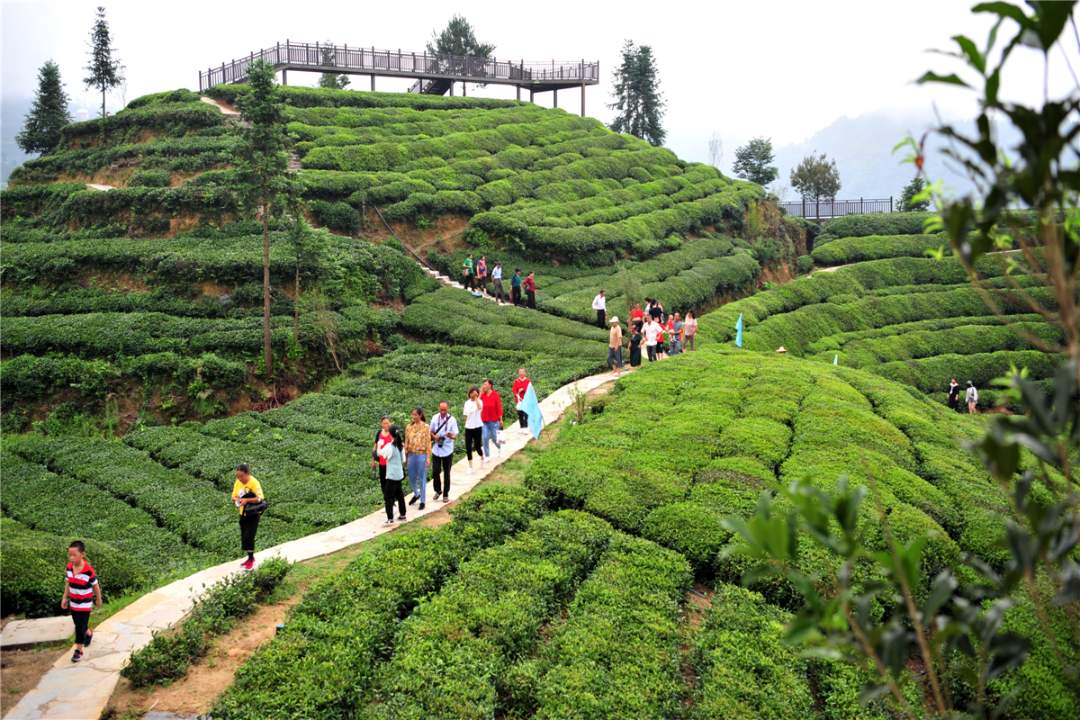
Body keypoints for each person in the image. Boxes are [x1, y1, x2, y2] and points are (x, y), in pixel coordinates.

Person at [61, 540, 102, 663]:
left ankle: (78, 650)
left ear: (82, 554)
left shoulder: (88, 571)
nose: (71, 558)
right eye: (70, 555)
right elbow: (68, 583)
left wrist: (98, 599)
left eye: (74, 555)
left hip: (85, 604)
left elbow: (96, 586)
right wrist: (64, 597)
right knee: (78, 624)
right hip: (74, 603)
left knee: (79, 627)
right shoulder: (69, 567)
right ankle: (88, 633)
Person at [231, 463, 264, 570]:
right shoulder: (238, 482)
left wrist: (247, 500)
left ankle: (251, 559)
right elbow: (233, 496)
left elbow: (259, 499)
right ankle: (249, 558)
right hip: (243, 513)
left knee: (250, 535)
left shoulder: (254, 483)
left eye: (241, 476)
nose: (239, 478)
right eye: (238, 476)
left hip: (253, 514)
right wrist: (237, 500)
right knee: (244, 536)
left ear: (247, 474)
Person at [377, 423, 406, 525]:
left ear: (390, 434)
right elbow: (403, 460)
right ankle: (403, 514)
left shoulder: (390, 446)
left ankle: (390, 518)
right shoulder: (401, 446)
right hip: (399, 474)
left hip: (391, 475)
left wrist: (379, 445)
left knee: (388, 497)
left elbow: (380, 454)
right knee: (399, 494)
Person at [429, 401, 458, 502]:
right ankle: (438, 490)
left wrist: (450, 435)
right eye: (441, 409)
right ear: (439, 408)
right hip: (436, 449)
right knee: (435, 472)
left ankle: (445, 494)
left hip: (447, 450)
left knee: (447, 473)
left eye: (444, 410)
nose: (443, 412)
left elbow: (455, 435)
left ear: (447, 409)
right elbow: (430, 431)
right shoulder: (434, 418)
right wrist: (434, 436)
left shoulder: (452, 420)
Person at [405, 407, 432, 510]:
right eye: (413, 414)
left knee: (422, 477)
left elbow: (428, 442)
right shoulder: (408, 427)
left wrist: (428, 457)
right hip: (411, 454)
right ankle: (417, 493)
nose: (414, 417)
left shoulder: (426, 427)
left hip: (422, 454)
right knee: (411, 477)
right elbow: (406, 442)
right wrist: (406, 456)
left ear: (420, 415)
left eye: (416, 415)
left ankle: (423, 501)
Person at [480, 379, 504, 459]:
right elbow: (478, 405)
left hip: (494, 420)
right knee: (485, 437)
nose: (484, 386)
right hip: (484, 421)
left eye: (486, 384)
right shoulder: (482, 396)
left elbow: (499, 408)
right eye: (483, 384)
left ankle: (499, 448)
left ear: (490, 385)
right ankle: (487, 455)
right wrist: (480, 393)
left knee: (495, 438)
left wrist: (500, 419)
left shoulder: (495, 395)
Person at [462, 386, 484, 471]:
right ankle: (470, 465)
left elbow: (479, 407)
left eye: (475, 393)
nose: (473, 395)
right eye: (472, 393)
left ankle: (482, 457)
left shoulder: (480, 401)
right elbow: (466, 415)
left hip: (478, 426)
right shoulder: (467, 403)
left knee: (477, 446)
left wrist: (476, 398)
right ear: (469, 394)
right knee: (468, 447)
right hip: (469, 427)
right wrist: (465, 424)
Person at [512, 367, 531, 434]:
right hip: (519, 400)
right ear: (518, 373)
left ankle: (526, 427)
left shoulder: (528, 381)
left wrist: (523, 389)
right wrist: (517, 393)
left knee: (526, 414)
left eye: (523, 372)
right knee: (520, 414)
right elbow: (514, 390)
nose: (521, 373)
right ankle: (521, 427)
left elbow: (530, 389)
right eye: (520, 372)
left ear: (525, 373)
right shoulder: (516, 381)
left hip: (526, 400)